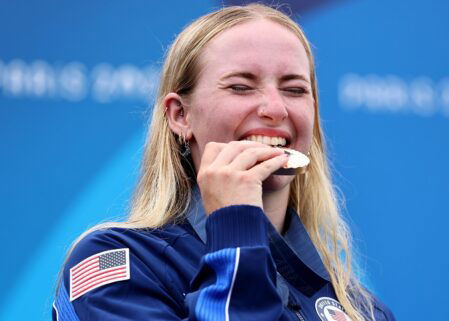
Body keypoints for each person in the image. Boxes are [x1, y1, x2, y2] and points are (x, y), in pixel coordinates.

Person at [52, 4, 396, 321]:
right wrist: (235, 227)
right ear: (180, 116)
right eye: (241, 87)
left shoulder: (360, 307)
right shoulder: (118, 265)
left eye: (294, 90)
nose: (276, 109)